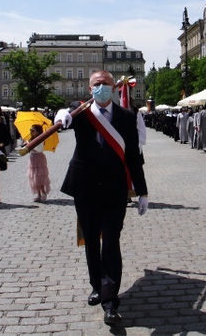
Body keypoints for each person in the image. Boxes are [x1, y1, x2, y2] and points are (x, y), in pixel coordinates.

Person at [55, 70, 148, 326]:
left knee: (111, 243)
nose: (102, 88)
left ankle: (110, 302)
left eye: (106, 84)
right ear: (89, 88)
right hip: (85, 188)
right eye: (97, 84)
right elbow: (67, 115)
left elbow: (133, 157)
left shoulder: (127, 117)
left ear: (115, 88)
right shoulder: (81, 112)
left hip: (114, 190)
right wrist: (61, 115)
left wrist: (142, 191)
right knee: (91, 242)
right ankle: (96, 285)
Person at [27, 124, 51, 203]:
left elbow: (38, 149)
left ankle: (43, 192)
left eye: (33, 130)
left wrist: (29, 145)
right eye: (31, 130)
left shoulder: (40, 139)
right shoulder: (31, 139)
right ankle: (38, 194)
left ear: (38, 131)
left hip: (38, 158)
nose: (31, 132)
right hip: (32, 158)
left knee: (39, 176)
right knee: (34, 177)